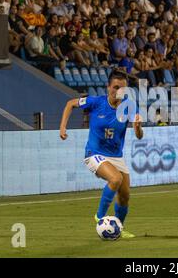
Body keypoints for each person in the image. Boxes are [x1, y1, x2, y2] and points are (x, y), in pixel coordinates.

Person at [59, 70, 143, 239]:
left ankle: (118, 228)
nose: (118, 91)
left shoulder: (130, 107)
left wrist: (137, 127)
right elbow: (70, 104)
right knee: (116, 179)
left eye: (122, 89)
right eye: (115, 87)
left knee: (125, 195)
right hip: (94, 153)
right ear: (108, 87)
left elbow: (139, 136)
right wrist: (62, 127)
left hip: (116, 156)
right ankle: (100, 216)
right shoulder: (96, 102)